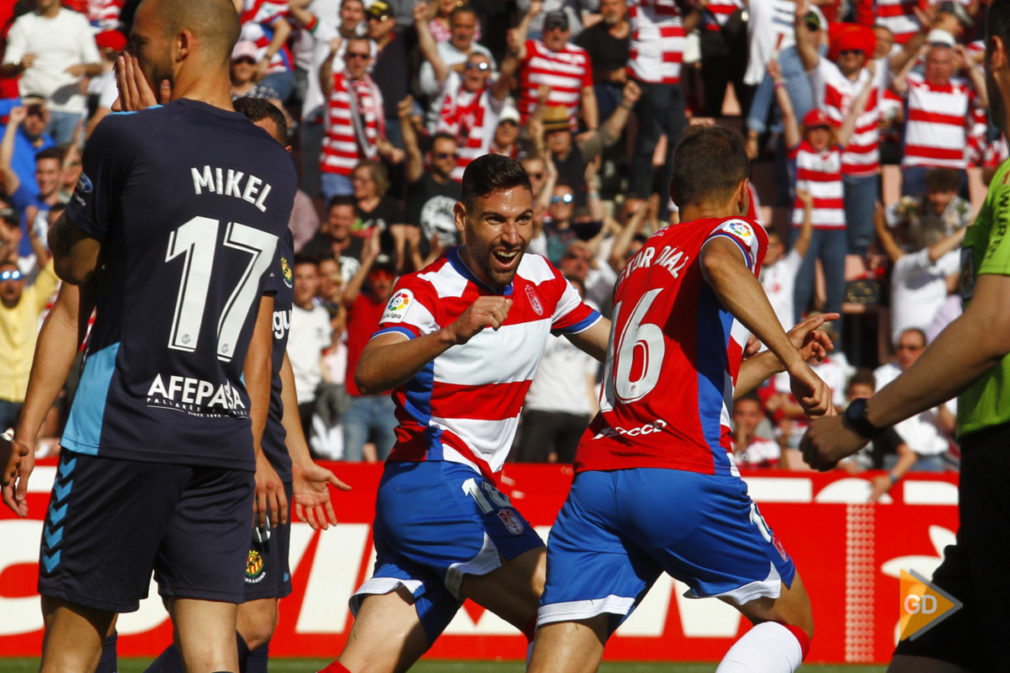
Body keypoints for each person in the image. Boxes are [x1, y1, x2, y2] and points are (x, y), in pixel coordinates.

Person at [4, 1, 297, 671]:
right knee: (213, 653)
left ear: (183, 44)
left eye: (139, 43)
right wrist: (245, 452)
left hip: (124, 427)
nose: (128, 56)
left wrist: (121, 139)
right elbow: (260, 338)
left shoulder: (129, 137)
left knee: (73, 649)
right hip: (222, 441)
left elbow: (73, 271)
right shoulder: (277, 166)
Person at [527, 125, 834, 673]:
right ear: (744, 190)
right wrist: (792, 361)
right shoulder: (733, 230)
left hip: (598, 481)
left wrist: (775, 353)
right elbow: (720, 261)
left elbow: (687, 385)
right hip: (680, 470)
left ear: (673, 191)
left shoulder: (640, 260)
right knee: (791, 622)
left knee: (560, 663)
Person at [317, 154, 611, 673]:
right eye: (495, 219)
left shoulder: (542, 280)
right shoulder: (426, 291)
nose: (511, 235)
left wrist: (744, 353)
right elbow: (368, 371)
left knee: (361, 667)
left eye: (523, 219)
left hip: (443, 498)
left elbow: (624, 349)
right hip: (436, 482)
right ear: (462, 218)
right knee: (562, 609)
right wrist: (451, 332)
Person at [801, 3, 1010, 668]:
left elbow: (991, 328)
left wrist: (860, 421)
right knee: (920, 657)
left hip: (1006, 459)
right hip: (985, 475)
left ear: (994, 56)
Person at [0, 0, 102, 145]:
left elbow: (96, 65)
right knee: (34, 164)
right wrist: (20, 65)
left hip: (71, 108)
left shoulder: (77, 22)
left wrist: (84, 68)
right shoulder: (24, 23)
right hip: (35, 109)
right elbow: (6, 68)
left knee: (69, 161)